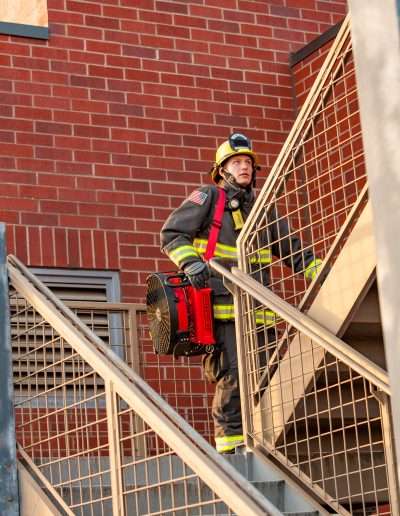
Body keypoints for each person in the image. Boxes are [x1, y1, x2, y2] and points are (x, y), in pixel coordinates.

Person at [160, 133, 321, 454]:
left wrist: (324, 273)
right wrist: (191, 263)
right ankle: (230, 451)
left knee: (270, 376)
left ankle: (259, 443)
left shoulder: (262, 210)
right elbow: (172, 234)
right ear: (222, 170)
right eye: (237, 162)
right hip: (221, 311)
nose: (244, 167)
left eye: (248, 162)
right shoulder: (208, 197)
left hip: (257, 313)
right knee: (232, 376)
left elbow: (294, 251)